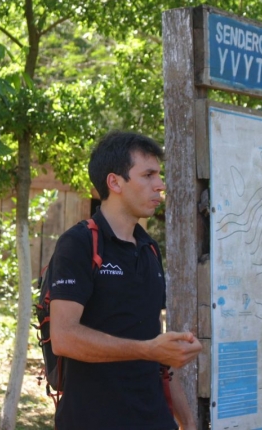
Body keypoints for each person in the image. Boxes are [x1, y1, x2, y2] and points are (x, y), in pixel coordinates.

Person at [49, 130, 202, 429]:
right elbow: (64, 338)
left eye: (159, 175)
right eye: (148, 175)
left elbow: (156, 351)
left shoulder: (149, 249)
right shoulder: (79, 244)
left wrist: (188, 422)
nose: (160, 185)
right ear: (115, 182)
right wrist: (148, 349)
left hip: (155, 419)